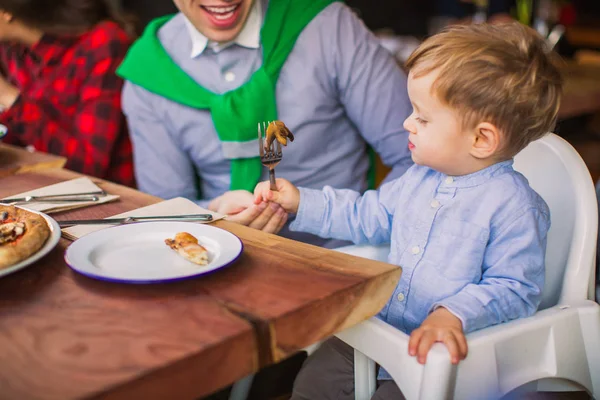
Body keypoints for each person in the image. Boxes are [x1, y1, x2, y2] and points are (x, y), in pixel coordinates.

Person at [254, 22, 563, 399]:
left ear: (481, 138)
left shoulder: (515, 207)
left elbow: (515, 289)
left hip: (444, 356)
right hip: (385, 328)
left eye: (422, 117)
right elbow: (369, 215)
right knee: (312, 383)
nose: (406, 123)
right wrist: (302, 201)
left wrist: (452, 315)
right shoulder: (420, 178)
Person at [117, 0, 413, 248]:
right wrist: (212, 216)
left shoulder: (329, 27)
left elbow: (415, 159)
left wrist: (364, 224)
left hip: (347, 253)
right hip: (214, 261)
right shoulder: (149, 70)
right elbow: (168, 213)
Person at [0, 0, 136, 186]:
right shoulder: (14, 49)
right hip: (41, 184)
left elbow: (90, 165)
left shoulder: (103, 43)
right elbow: (15, 138)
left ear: (7, 11)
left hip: (108, 196)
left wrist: (9, 97)